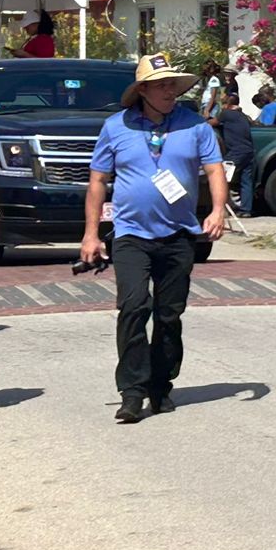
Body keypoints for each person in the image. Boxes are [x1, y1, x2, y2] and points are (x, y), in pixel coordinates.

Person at [84, 53, 227, 424]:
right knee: (134, 307)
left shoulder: (195, 126)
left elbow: (214, 170)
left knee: (169, 315)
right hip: (131, 235)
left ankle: (161, 384)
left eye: (173, 85)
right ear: (143, 90)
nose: (170, 91)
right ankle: (132, 392)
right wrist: (90, 235)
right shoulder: (116, 127)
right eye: (162, 85)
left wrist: (217, 210)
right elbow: (98, 181)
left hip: (179, 235)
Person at [214, 91, 255, 215]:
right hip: (249, 151)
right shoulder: (243, 116)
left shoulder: (226, 114)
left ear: (227, 104)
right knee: (246, 181)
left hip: (236, 153)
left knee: (222, 177)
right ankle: (246, 210)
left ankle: (223, 209)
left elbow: (212, 123)